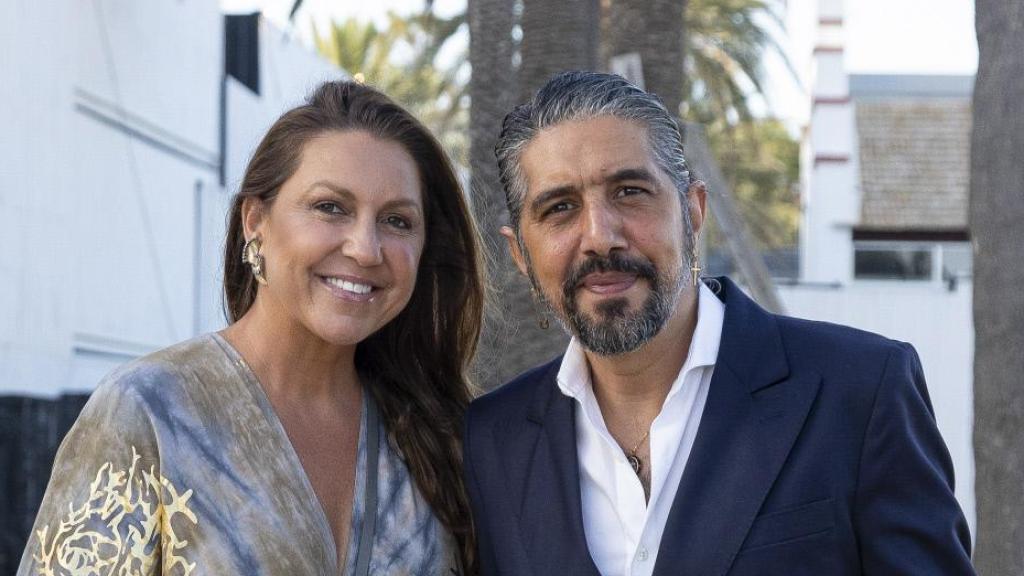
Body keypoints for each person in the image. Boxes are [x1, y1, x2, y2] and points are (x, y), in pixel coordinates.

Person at [463, 71, 974, 576]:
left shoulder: (860, 390)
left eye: (629, 192)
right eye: (560, 207)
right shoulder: (491, 443)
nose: (600, 236)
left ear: (693, 210)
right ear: (520, 254)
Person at [19, 80, 482, 575]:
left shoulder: (437, 434)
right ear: (255, 220)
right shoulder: (148, 411)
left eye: (397, 221)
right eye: (331, 207)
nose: (366, 249)